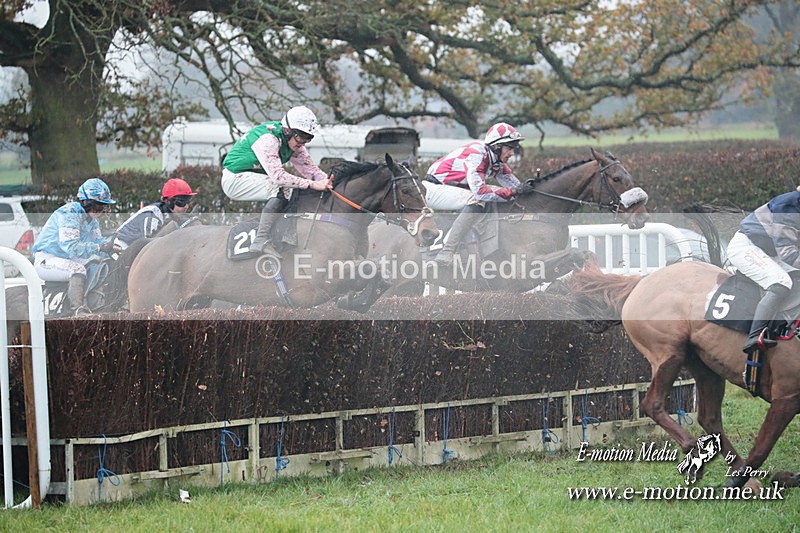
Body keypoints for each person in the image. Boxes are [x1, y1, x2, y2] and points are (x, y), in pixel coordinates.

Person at [221, 105, 331, 258]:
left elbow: (313, 173)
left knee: (290, 189)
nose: (302, 143)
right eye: (300, 137)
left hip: (250, 177)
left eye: (308, 138)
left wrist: (331, 184)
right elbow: (278, 176)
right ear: (287, 130)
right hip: (234, 179)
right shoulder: (268, 139)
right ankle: (261, 240)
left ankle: (282, 234)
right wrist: (312, 184)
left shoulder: (293, 141)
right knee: (282, 187)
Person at [424, 122, 527, 264]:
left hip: (452, 188)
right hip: (434, 189)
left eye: (513, 148)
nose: (512, 153)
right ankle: (447, 251)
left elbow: (516, 187)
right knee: (477, 199)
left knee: (502, 194)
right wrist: (514, 191)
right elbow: (481, 193)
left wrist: (528, 189)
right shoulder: (477, 155)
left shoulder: (496, 160)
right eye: (509, 148)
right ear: (496, 146)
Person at [726, 188, 800, 353]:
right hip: (747, 246)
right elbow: (788, 254)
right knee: (781, 282)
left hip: (770, 250)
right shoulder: (788, 206)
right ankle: (755, 335)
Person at [31, 177, 117, 314]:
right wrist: (100, 248)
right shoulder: (70, 212)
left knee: (97, 264)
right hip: (47, 260)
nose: (100, 209)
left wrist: (113, 248)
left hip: (67, 258)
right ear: (85, 201)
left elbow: (98, 242)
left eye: (103, 205)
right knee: (78, 269)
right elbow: (72, 247)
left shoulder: (91, 220)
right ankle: (78, 310)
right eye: (97, 205)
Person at [114, 178, 197, 250]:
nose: (186, 207)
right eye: (181, 202)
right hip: (122, 245)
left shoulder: (173, 215)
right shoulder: (153, 215)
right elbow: (149, 247)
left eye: (188, 202)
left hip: (136, 247)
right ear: (168, 201)